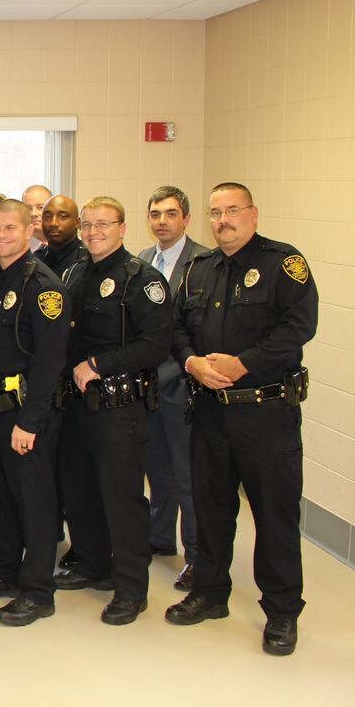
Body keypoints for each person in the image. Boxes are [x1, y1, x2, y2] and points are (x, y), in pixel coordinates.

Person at [166, 182, 316, 657]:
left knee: (274, 514)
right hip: (209, 411)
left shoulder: (282, 263)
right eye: (215, 212)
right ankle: (210, 593)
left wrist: (242, 363)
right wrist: (192, 363)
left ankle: (283, 610)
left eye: (232, 210)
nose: (223, 219)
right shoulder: (199, 269)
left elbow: (299, 326)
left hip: (266, 412)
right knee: (211, 509)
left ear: (253, 213)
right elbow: (175, 329)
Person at [56, 196, 173, 626]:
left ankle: (130, 588)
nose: (92, 232)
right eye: (87, 225)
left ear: (123, 228)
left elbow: (156, 345)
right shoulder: (74, 272)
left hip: (119, 408)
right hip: (75, 406)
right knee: (79, 491)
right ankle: (91, 565)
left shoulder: (142, 280)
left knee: (121, 500)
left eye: (103, 224)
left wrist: (100, 365)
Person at [0, 199, 68, 627]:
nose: (0, 235)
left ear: (30, 232)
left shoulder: (42, 285)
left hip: (26, 414)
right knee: (0, 498)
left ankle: (39, 591)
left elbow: (49, 361)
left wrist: (29, 422)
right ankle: (4, 571)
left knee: (35, 504)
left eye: (10, 228)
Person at [139, 186, 208, 591]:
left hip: (183, 384)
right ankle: (159, 535)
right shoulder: (143, 260)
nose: (161, 221)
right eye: (155, 214)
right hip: (149, 385)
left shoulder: (203, 262)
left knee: (187, 476)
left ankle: (197, 556)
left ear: (185, 218)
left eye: (169, 214)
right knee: (157, 470)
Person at [39, 195, 87, 280]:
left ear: (77, 222)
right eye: (47, 217)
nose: (53, 223)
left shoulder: (87, 259)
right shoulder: (36, 259)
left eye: (63, 217)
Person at [23, 185, 53, 258]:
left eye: (40, 207)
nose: (34, 214)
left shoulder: (69, 247)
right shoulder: (15, 248)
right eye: (28, 208)